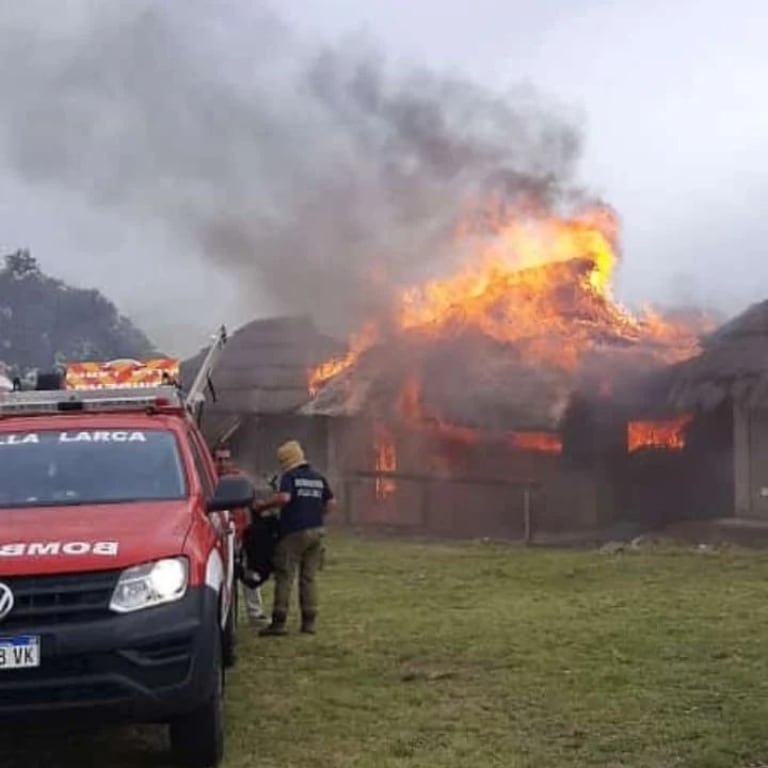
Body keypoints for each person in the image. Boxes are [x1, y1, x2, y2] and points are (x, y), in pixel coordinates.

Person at [253, 440, 336, 636]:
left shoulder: (289, 476)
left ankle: (279, 623)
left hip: (294, 533)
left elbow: (284, 498)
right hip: (317, 531)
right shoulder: (318, 477)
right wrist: (315, 513)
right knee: (308, 577)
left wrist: (262, 506)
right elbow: (331, 503)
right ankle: (309, 623)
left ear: (286, 460)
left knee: (285, 575)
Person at [213, 446, 267, 627]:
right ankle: (222, 616)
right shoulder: (208, 480)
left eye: (226, 459)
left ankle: (256, 613)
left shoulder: (240, 479)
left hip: (242, 533)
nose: (222, 463)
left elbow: (253, 503)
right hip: (218, 535)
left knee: (249, 573)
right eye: (219, 459)